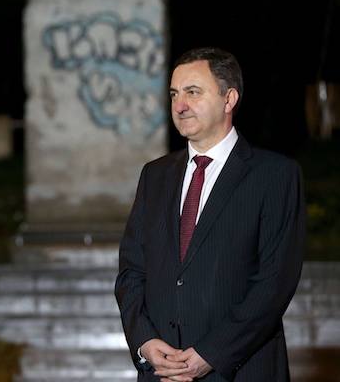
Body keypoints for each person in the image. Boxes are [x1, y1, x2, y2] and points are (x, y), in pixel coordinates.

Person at [115, 47, 306, 381]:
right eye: (174, 94)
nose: (180, 105)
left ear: (229, 99)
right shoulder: (154, 176)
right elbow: (131, 271)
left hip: (243, 370)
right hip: (163, 373)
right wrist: (145, 342)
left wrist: (213, 353)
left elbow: (274, 283)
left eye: (193, 92)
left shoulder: (275, 175)